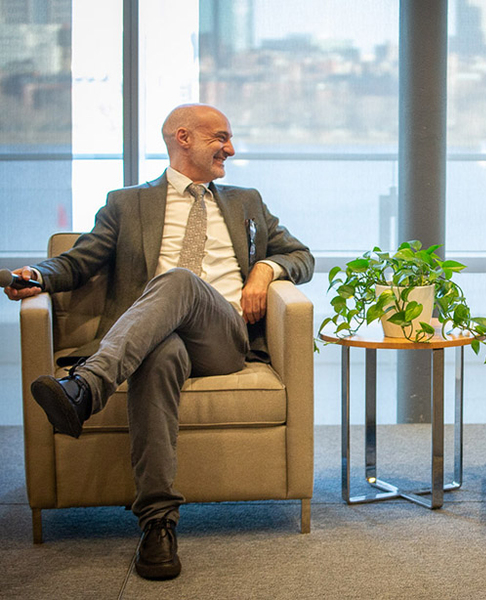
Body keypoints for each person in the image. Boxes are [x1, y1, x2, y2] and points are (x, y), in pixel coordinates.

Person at [4, 104, 314, 580]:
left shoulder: (245, 201)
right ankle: (157, 525)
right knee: (159, 354)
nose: (230, 149)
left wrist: (266, 268)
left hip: (223, 337)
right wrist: (37, 275)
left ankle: (86, 385)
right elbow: (78, 261)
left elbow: (301, 256)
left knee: (179, 282)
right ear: (183, 138)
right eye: (221, 138)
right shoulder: (127, 203)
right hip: (152, 337)